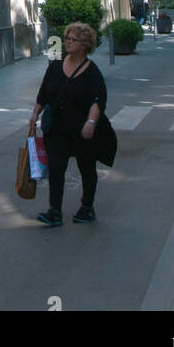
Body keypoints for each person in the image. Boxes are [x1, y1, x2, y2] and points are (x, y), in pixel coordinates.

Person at [27, 22, 108, 227]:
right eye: (67, 39)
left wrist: (91, 122)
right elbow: (44, 92)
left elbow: (98, 100)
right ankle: (55, 211)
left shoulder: (92, 72)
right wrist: (35, 113)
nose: (68, 42)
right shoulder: (56, 66)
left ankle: (87, 207)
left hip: (82, 130)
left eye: (73, 40)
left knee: (87, 169)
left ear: (84, 44)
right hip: (57, 128)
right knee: (56, 168)